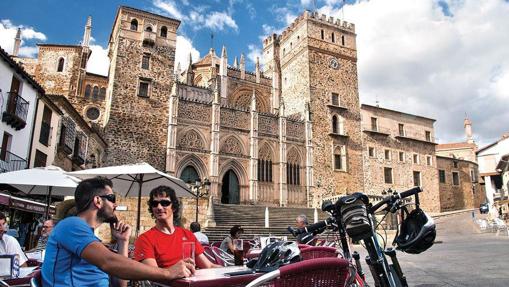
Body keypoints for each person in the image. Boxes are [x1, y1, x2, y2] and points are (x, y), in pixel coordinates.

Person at [42, 176, 195, 287]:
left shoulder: (89, 236)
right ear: (97, 201)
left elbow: (120, 283)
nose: (116, 204)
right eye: (112, 198)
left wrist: (122, 242)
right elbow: (108, 262)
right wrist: (168, 273)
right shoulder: (71, 225)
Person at [135, 185, 220, 269]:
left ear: (174, 208)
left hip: (192, 281)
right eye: (155, 204)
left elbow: (209, 266)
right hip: (164, 283)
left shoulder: (187, 235)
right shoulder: (145, 239)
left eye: (165, 203)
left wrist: (230, 271)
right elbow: (153, 274)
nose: (159, 207)